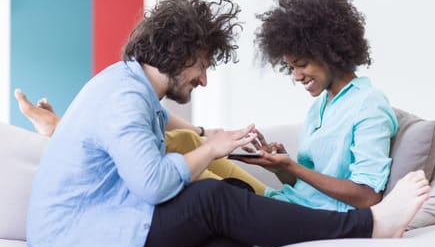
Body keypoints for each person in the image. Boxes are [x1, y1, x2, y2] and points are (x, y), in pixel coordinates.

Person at [24, 0, 429, 247]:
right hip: (79, 232)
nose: (203, 80)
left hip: (86, 223)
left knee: (229, 238)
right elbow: (153, 185)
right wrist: (212, 148)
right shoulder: (126, 100)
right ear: (179, 55)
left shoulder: (130, 85)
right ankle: (371, 225)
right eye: (202, 66)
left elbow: (170, 125)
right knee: (211, 198)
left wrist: (212, 134)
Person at [230, 0, 398, 212]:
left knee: (214, 198)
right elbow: (306, 187)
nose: (297, 76)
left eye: (302, 65)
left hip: (325, 218)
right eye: (291, 68)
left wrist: (293, 167)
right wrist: (281, 168)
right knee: (220, 188)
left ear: (330, 52)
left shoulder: (369, 103)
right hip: (293, 204)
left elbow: (367, 196)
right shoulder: (320, 105)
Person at [14, 89, 267, 194]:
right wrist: (204, 132)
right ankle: (61, 129)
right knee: (185, 138)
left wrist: (285, 166)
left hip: (280, 204)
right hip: (279, 196)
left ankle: (61, 129)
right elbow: (162, 116)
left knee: (162, 153)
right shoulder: (134, 88)